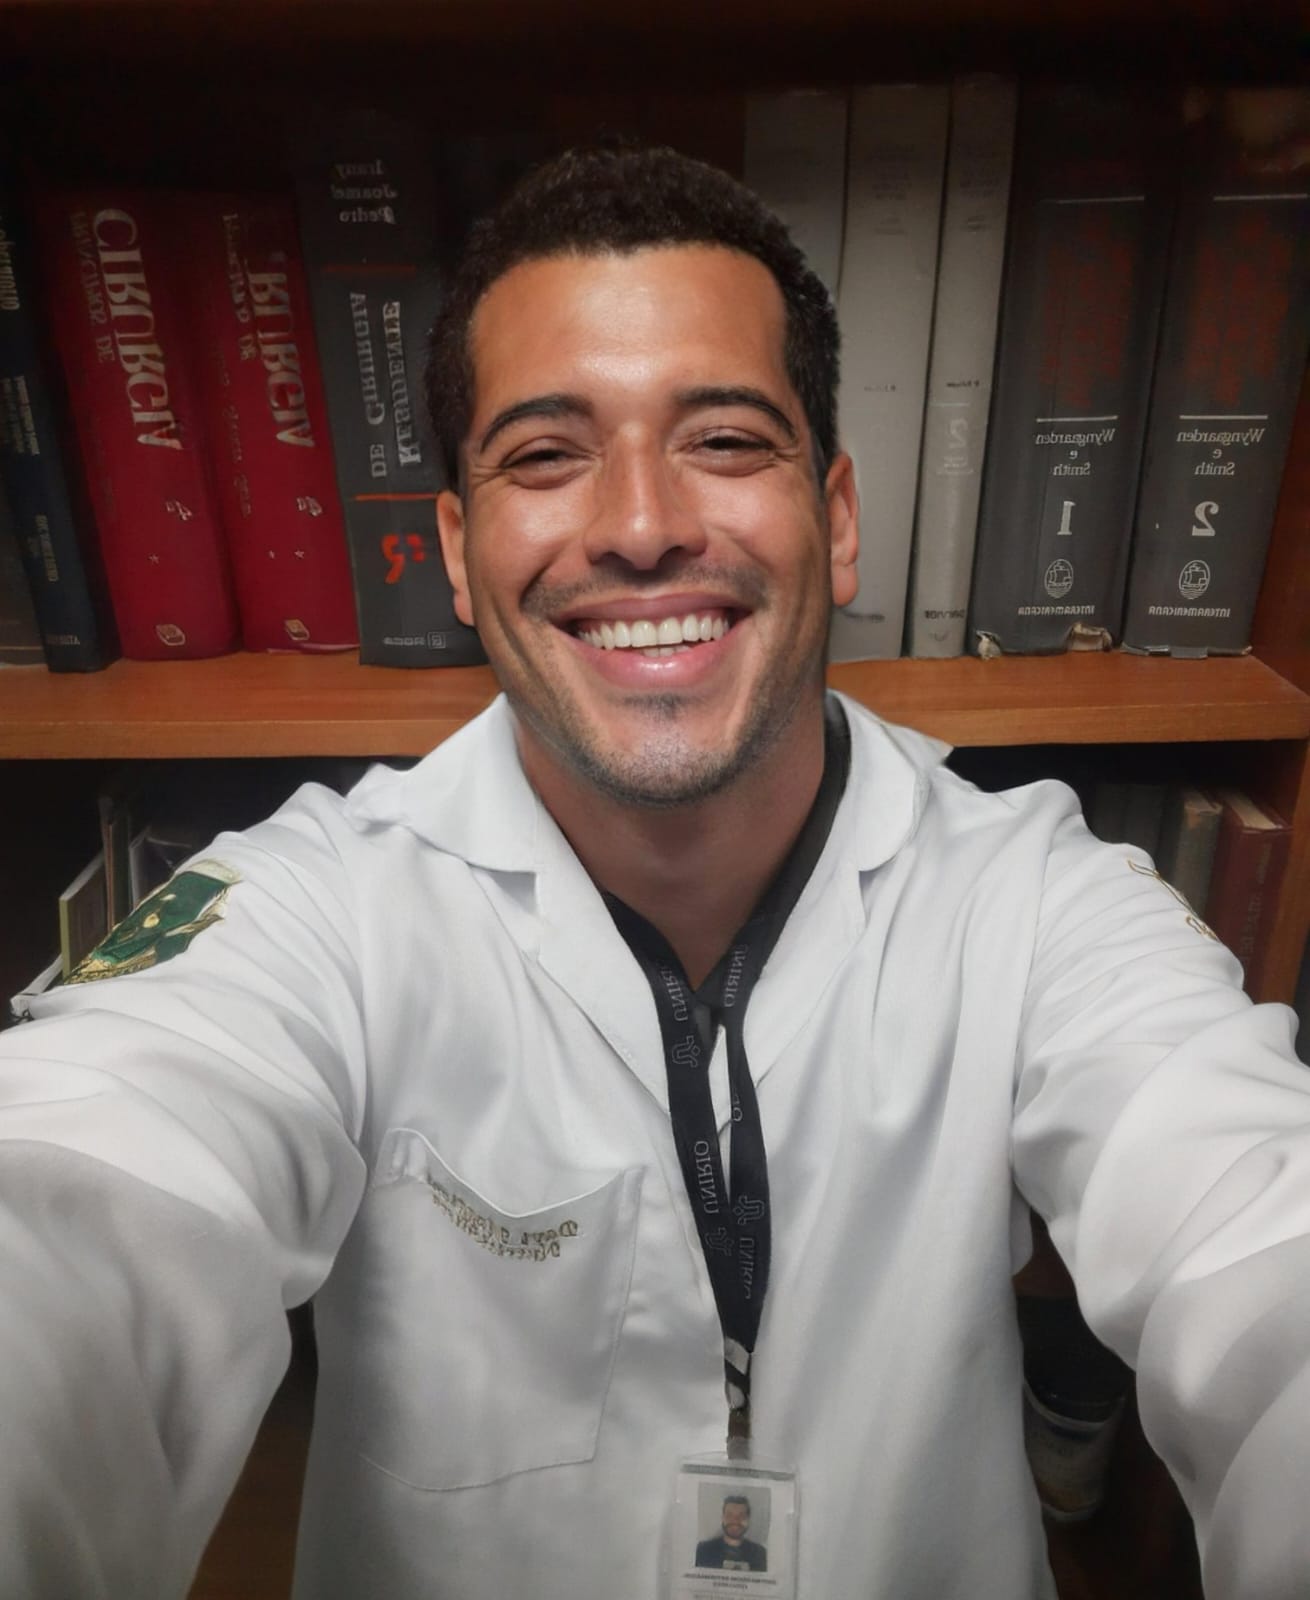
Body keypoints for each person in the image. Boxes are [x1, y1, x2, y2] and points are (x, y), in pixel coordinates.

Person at [0, 142, 1308, 1600]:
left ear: (837, 517)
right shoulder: (324, 908)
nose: (638, 526)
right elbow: (74, 1208)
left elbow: (1263, 1232)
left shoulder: (1038, 897)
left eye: (726, 440)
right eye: (543, 455)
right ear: (455, 551)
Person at [696, 1493, 768, 1571]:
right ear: (722, 1518)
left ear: (748, 1519)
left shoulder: (760, 1554)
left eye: (741, 1516)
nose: (735, 1520)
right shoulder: (703, 1550)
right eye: (729, 1515)